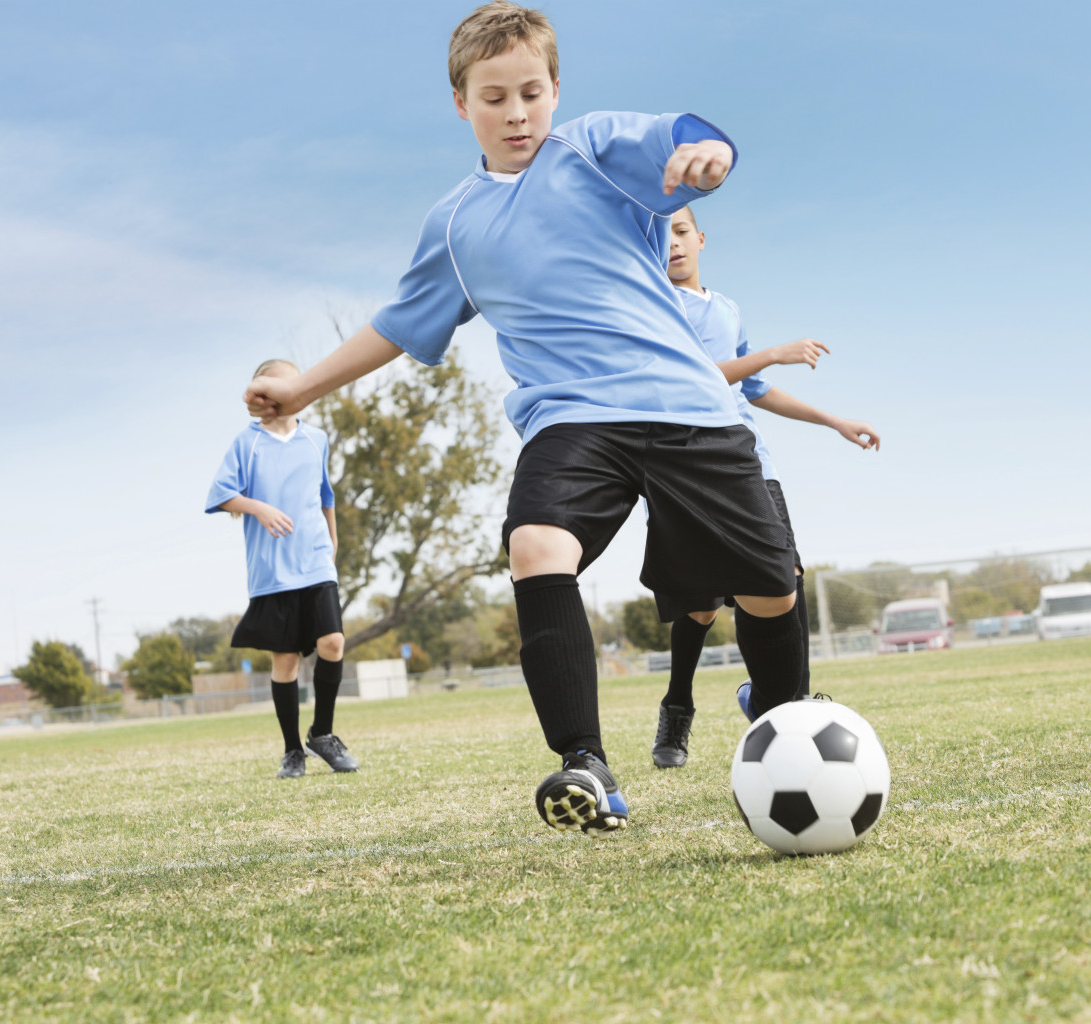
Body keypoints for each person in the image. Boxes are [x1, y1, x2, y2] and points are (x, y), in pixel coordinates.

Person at [241, 2, 807, 835]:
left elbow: (683, 135)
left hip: (686, 405)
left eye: (531, 93)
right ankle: (585, 763)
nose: (516, 113)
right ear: (461, 102)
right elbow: (400, 323)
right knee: (536, 546)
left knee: (769, 588)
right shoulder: (457, 223)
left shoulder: (594, 148)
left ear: (554, 90)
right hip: (572, 421)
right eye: (494, 96)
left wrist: (708, 155)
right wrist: (302, 391)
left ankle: (787, 724)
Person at [650, 205, 880, 768]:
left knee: (785, 578)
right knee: (700, 607)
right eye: (660, 236)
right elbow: (695, 374)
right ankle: (677, 707)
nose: (673, 245)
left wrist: (834, 421)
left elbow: (753, 387)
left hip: (750, 462)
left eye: (680, 232)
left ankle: (783, 702)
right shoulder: (652, 305)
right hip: (681, 464)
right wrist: (775, 350)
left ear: (701, 237)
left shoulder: (726, 309)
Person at [207, 359, 358, 778]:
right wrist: (258, 508)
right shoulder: (246, 443)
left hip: (315, 561)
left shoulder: (318, 440)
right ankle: (293, 751)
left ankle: (322, 734)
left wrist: (333, 540)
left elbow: (326, 495)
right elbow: (220, 494)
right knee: (286, 661)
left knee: (333, 643)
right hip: (272, 569)